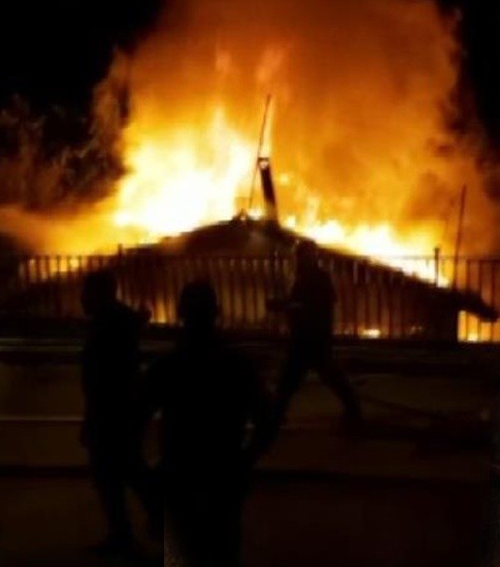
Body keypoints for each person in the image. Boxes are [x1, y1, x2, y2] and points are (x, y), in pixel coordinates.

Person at [144, 279, 273, 567]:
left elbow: (134, 419)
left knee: (179, 556)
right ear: (217, 312)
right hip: (225, 469)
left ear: (179, 313)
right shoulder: (239, 364)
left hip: (180, 472)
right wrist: (246, 459)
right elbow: (267, 418)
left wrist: (150, 477)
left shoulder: (168, 366)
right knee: (225, 551)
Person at [79, 269, 158, 554]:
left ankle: (132, 531)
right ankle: (129, 531)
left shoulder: (108, 326)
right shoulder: (115, 321)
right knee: (125, 471)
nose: (81, 299)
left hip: (111, 411)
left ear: (100, 294)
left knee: (117, 474)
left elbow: (103, 377)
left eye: (86, 292)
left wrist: (93, 417)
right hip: (119, 410)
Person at [267, 240, 363, 431]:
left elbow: (313, 305)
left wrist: (285, 306)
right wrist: (285, 306)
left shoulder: (318, 277)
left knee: (298, 378)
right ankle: (276, 414)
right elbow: (302, 303)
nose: (299, 259)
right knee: (297, 378)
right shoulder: (305, 277)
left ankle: (275, 415)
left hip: (312, 337)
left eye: (302, 255)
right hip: (306, 337)